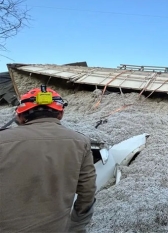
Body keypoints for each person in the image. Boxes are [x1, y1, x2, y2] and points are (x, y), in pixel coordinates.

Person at [0, 85, 97, 232]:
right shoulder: (81, 142)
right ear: (60, 114)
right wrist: (76, 226)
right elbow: (87, 191)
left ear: (20, 115)